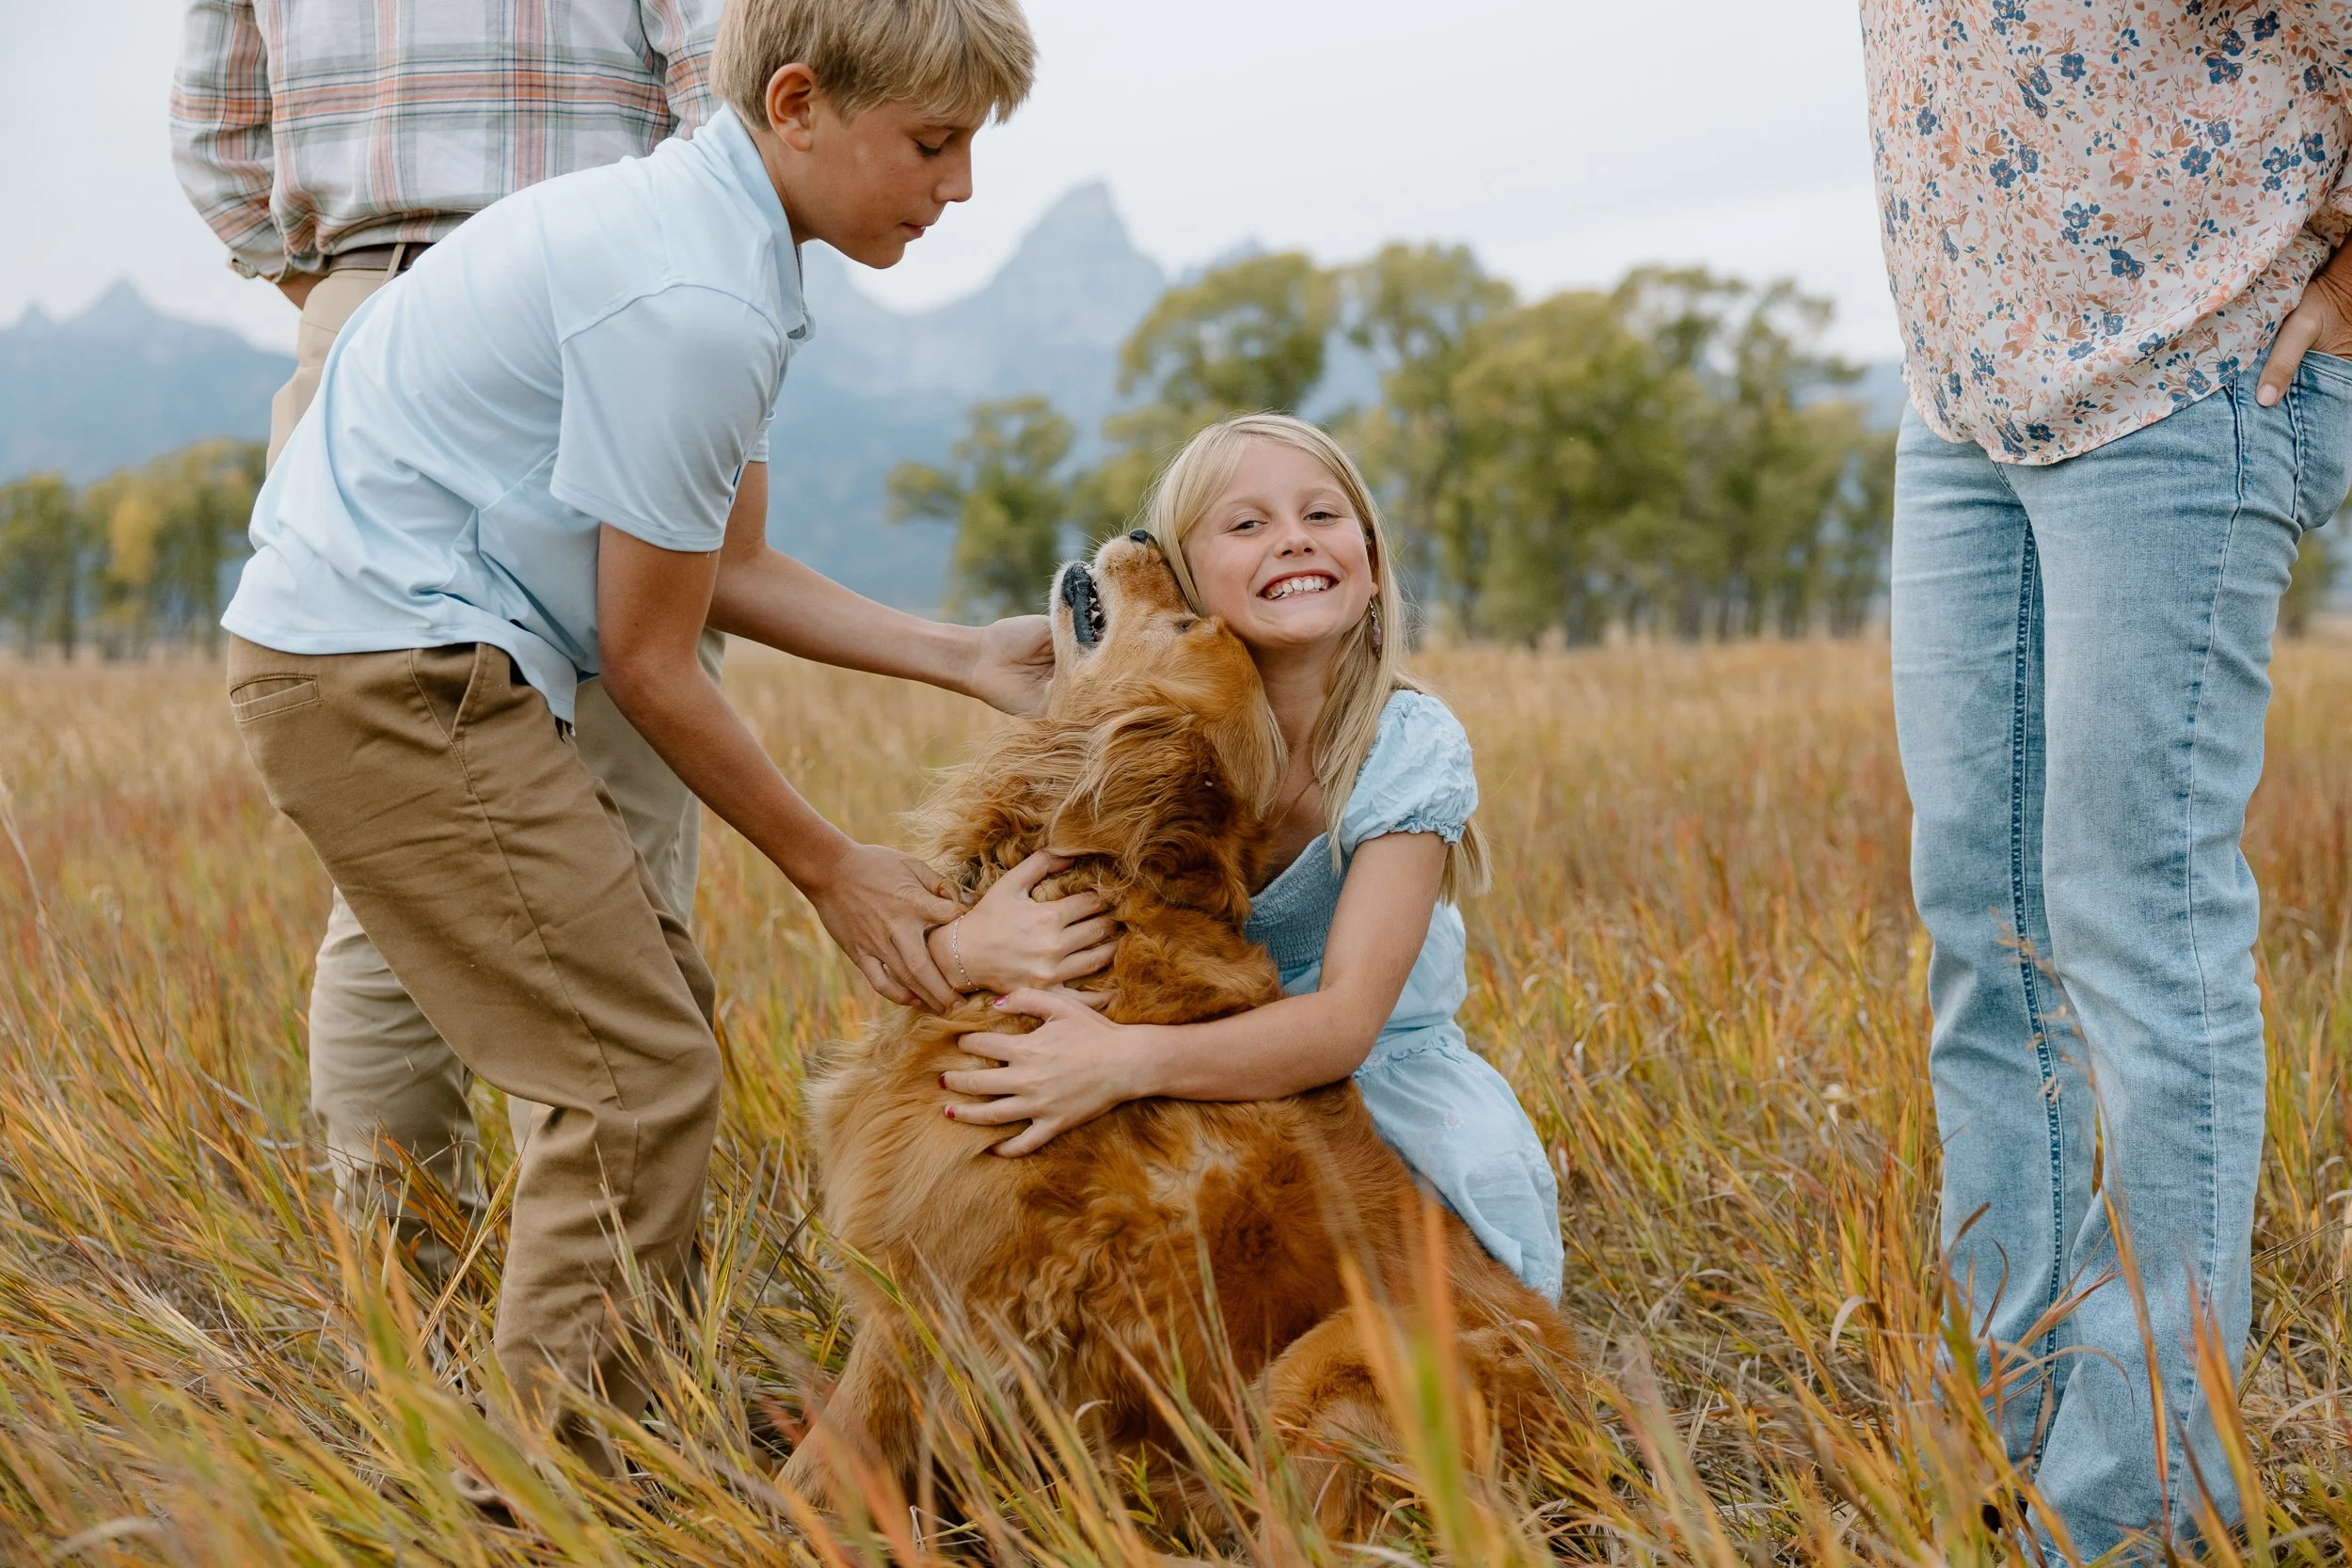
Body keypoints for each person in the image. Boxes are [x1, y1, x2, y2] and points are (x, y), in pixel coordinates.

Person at [215, 0, 1077, 1469]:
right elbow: (654, 660)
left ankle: (633, 1420)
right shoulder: (693, 297)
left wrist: (960, 655)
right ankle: (558, 1487)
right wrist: (832, 868)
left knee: (651, 1017)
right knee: (631, 1069)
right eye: (932, 144)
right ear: (797, 103)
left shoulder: (714, 241)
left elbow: (722, 565)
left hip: (411, 654)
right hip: (387, 672)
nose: (960, 187)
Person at [1863, 5, 2352, 1553]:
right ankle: (2005, 1439)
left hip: (2191, 373)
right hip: (1965, 396)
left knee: (2131, 930)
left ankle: (2127, 1515)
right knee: (1984, 933)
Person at [168, 0, 737, 1284]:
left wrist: (348, 290)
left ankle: (409, 1301)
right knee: (613, 852)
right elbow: (731, 94)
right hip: (589, 325)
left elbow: (213, 129)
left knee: (403, 861)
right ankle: (610, 1327)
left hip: (367, 321)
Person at [930, 414, 1565, 1302]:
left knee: (1395, 1299)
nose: (1293, 539)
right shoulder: (1152, 733)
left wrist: (1124, 1062)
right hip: (1192, 1073)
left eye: (1322, 515)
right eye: (1247, 523)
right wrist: (963, 948)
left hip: (1367, 1091)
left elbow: (1344, 1025)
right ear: (1187, 581)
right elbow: (1022, 893)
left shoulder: (1405, 743)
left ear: (1374, 562)